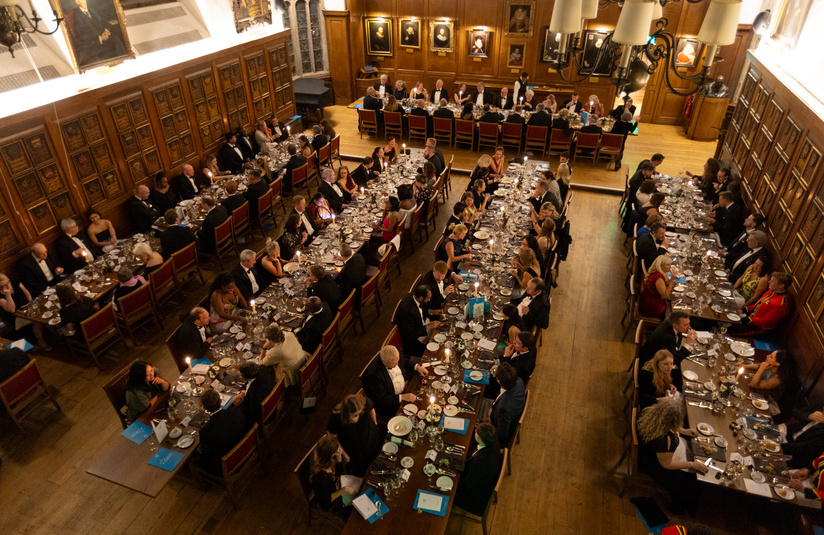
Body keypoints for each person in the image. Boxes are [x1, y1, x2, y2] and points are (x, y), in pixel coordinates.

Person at [636, 400, 706, 515]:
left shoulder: (652, 413)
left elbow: (669, 425)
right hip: (652, 464)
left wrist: (684, 431)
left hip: (651, 454)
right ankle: (676, 508)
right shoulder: (665, 440)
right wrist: (691, 464)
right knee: (692, 481)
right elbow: (667, 464)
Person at [363, 345, 428, 420]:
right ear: (384, 362)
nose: (397, 364)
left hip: (406, 387)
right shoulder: (375, 375)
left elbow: (404, 361)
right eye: (394, 363)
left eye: (397, 360)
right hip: (393, 403)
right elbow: (382, 399)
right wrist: (403, 397)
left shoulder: (394, 353)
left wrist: (417, 367)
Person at [453, 422, 503, 516]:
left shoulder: (478, 463)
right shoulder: (494, 441)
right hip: (483, 478)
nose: (474, 432)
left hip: (473, 497)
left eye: (476, 432)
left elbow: (467, 484)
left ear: (481, 440)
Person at [327, 394, 382, 477]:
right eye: (355, 415)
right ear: (346, 413)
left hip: (372, 440)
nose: (357, 418)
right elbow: (332, 438)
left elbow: (372, 409)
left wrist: (375, 423)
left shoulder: (365, 403)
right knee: (366, 475)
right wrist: (345, 455)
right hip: (355, 453)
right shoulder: (336, 418)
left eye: (359, 414)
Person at [196, 389, 247, 476]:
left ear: (204, 408)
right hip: (244, 451)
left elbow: (206, 453)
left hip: (224, 466)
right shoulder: (236, 410)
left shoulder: (205, 431)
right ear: (220, 401)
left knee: (196, 458)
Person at [730, 272, 793, 336]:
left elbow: (765, 322)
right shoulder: (773, 291)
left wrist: (745, 319)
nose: (769, 282)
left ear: (781, 286)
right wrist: (743, 310)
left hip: (758, 329)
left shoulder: (781, 305)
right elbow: (757, 305)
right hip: (751, 319)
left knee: (728, 328)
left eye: (772, 281)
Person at [310, 435, 354, 517]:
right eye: (337, 449)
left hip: (336, 486)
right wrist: (343, 490)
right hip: (331, 503)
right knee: (353, 511)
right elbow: (326, 501)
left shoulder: (327, 460)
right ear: (330, 454)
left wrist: (339, 457)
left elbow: (338, 473)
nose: (339, 449)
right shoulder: (321, 477)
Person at [397, 286, 441, 357]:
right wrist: (428, 326)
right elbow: (410, 334)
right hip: (412, 341)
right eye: (428, 298)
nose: (429, 300)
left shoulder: (414, 297)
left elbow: (420, 311)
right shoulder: (407, 312)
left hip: (420, 325)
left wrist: (431, 311)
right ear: (421, 298)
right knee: (435, 351)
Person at [489, 363, 526, 445]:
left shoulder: (503, 408)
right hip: (512, 409)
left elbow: (501, 434)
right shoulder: (519, 380)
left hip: (496, 430)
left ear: (498, 381)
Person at [232, 361, 276, 426]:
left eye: (241, 374)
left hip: (265, 416)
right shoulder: (262, 368)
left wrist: (238, 404)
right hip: (272, 400)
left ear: (247, 378)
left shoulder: (254, 393)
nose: (239, 374)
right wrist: (244, 392)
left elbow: (252, 413)